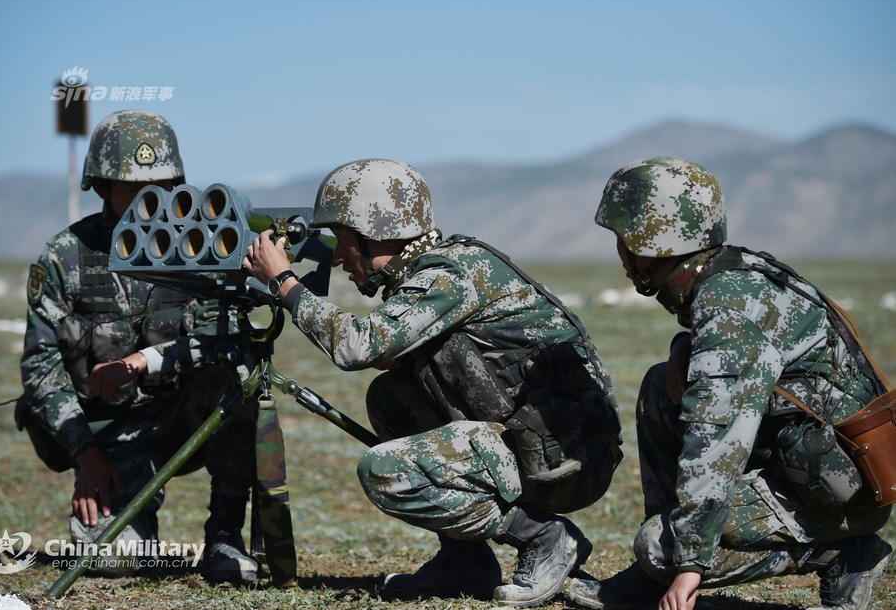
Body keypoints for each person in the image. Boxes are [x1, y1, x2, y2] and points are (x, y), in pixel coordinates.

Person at [242, 158, 623, 607]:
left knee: (386, 471)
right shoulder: (431, 272)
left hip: (567, 461)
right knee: (391, 398)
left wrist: (284, 282)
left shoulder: (450, 274)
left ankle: (545, 537)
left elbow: (357, 346)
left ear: (376, 232)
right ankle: (464, 562)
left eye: (344, 240)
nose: (340, 255)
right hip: (537, 440)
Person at [565, 157, 892, 610]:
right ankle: (656, 571)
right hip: (805, 462)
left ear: (655, 242)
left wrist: (687, 564)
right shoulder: (722, 273)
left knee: (659, 546)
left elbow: (716, 438)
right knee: (662, 384)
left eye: (625, 239)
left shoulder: (730, 304)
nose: (619, 254)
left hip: (841, 493)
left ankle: (844, 553)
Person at [17, 110, 262, 584]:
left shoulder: (201, 247)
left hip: (180, 419)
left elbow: (220, 336)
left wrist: (140, 361)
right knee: (118, 562)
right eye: (135, 189)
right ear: (103, 187)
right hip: (105, 436)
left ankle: (225, 538)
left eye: (165, 187)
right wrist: (86, 457)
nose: (154, 201)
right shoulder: (65, 256)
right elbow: (41, 365)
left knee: (239, 379)